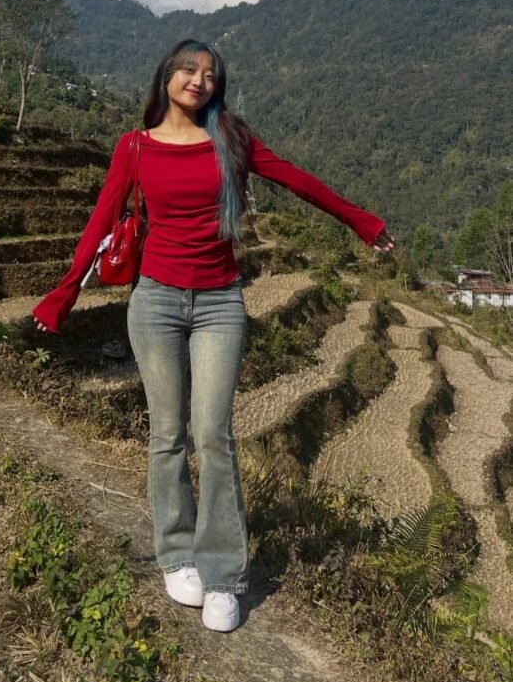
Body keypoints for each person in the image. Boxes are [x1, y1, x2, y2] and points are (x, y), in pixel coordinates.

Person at [33, 39, 395, 633]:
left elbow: (299, 182)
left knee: (214, 435)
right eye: (187, 70)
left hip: (221, 302)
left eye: (209, 74)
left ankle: (224, 574)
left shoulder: (232, 141)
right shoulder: (135, 147)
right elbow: (101, 219)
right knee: (167, 432)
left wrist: (360, 220)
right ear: (166, 77)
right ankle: (178, 556)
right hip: (154, 301)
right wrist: (64, 293)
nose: (198, 80)